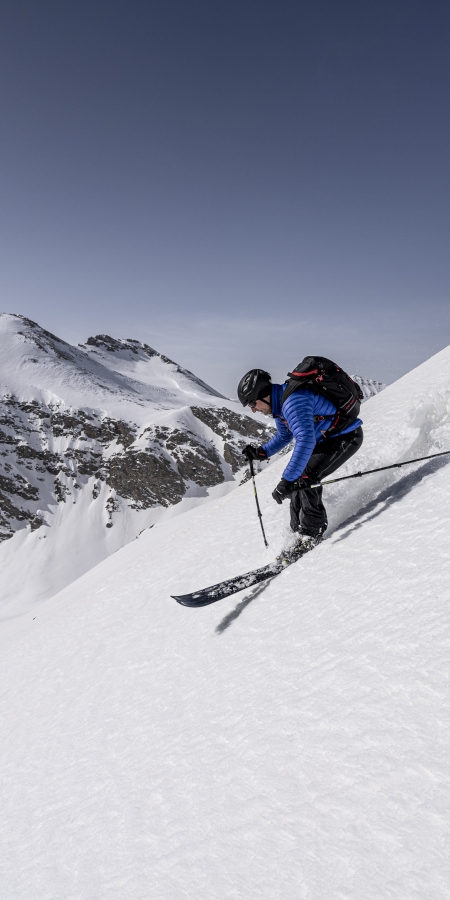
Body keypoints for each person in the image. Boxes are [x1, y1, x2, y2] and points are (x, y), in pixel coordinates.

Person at [237, 368, 363, 551]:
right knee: (299, 477)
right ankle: (297, 532)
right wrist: (260, 452)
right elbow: (284, 436)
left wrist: (286, 480)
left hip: (346, 437)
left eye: (252, 404)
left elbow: (305, 440)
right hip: (327, 440)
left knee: (305, 476)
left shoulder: (293, 402)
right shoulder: (280, 405)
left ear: (263, 394)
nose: (254, 410)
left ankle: (311, 534)